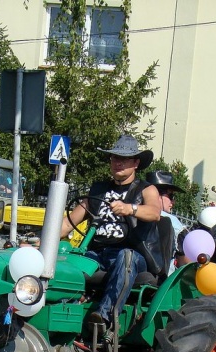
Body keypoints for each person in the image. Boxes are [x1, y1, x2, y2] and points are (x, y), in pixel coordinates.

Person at [61, 134, 162, 327]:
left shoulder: (146, 189)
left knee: (126, 256)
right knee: (69, 260)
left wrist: (130, 208)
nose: (118, 163)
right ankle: (65, 310)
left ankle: (104, 315)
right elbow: (68, 223)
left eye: (124, 159)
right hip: (97, 254)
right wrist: (40, 243)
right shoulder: (98, 190)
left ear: (136, 163)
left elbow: (155, 213)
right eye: (115, 158)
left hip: (132, 255)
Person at [146, 170, 189, 274]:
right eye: (171, 196)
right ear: (156, 195)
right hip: (162, 283)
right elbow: (185, 263)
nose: (173, 202)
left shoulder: (132, 212)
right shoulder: (173, 222)